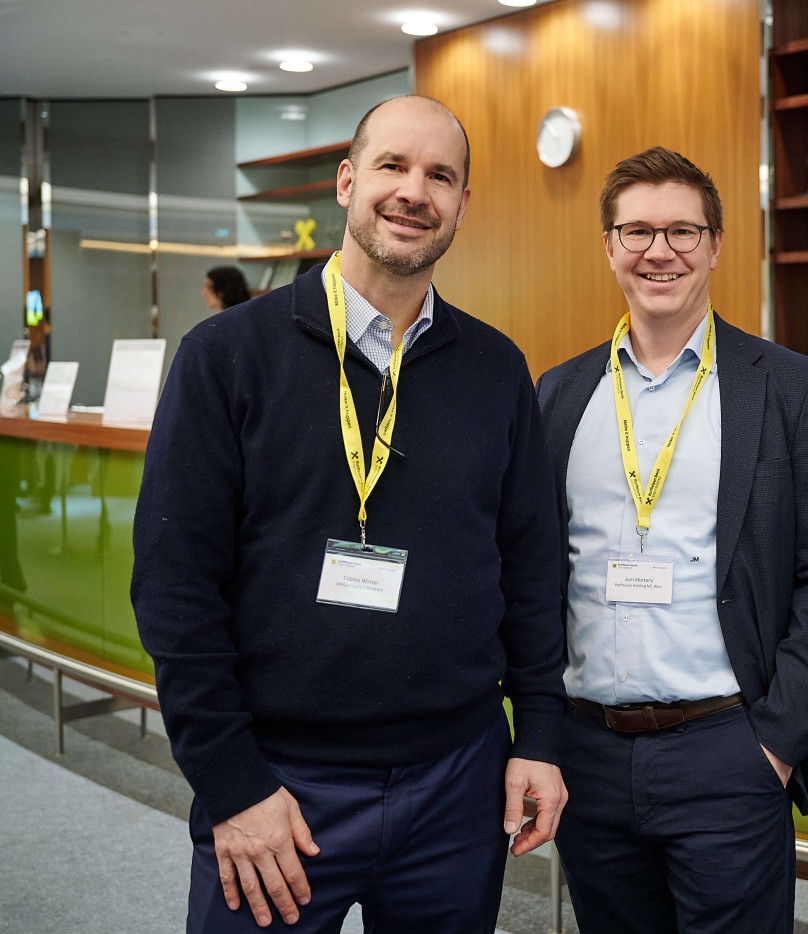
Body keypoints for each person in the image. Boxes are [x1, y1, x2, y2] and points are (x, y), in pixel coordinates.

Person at [132, 95, 567, 933]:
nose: (414, 192)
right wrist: (232, 784)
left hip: (457, 783)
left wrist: (539, 734)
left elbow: (530, 568)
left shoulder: (495, 368)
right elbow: (174, 586)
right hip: (278, 784)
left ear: (463, 204)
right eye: (392, 166)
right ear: (346, 182)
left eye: (440, 175)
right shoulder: (225, 357)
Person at [536, 147, 808, 934]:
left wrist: (775, 742)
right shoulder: (560, 393)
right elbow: (536, 570)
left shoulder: (791, 389)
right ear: (609, 246)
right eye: (637, 231)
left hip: (727, 749)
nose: (660, 251)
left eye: (682, 230)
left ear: (715, 245)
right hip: (590, 754)